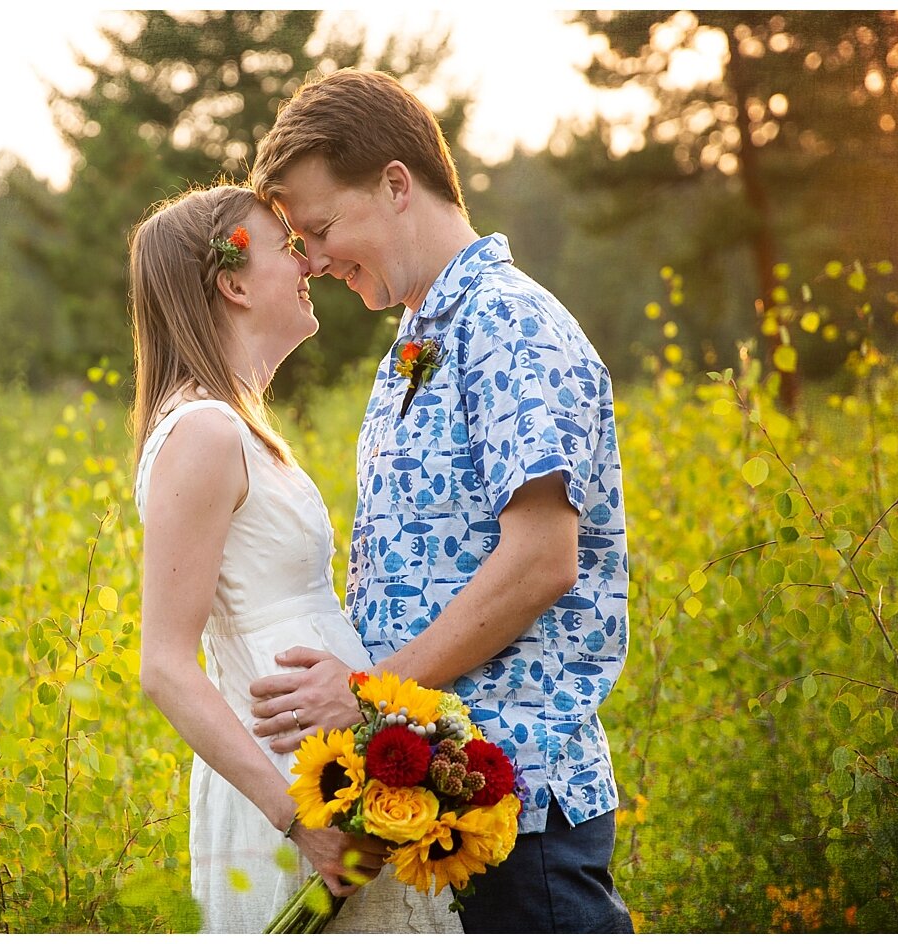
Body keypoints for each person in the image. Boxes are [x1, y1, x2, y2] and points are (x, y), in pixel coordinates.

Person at [246, 69, 635, 934]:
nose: (312, 260)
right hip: (437, 810)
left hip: (521, 805)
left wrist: (371, 693)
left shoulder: (508, 324)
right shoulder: (417, 345)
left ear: (394, 185)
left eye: (320, 228)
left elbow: (541, 559)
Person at [130, 183, 462, 934]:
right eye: (287, 247)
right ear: (234, 283)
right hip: (289, 796)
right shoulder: (204, 433)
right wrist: (298, 819)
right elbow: (165, 665)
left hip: (334, 778)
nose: (310, 262)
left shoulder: (237, 429)